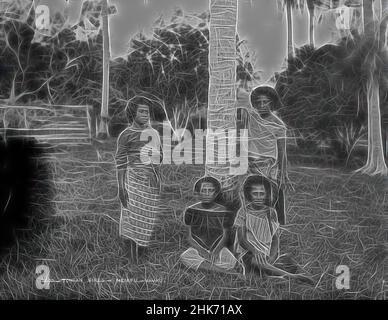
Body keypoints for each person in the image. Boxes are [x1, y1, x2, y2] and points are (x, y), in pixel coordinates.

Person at [234, 175, 314, 284]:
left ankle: (271, 275)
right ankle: (293, 277)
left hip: (265, 252)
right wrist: (255, 251)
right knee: (255, 262)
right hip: (248, 252)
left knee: (264, 271)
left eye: (261, 194)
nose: (258, 197)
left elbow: (275, 238)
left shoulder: (271, 212)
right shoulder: (243, 212)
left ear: (266, 194)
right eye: (255, 193)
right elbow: (241, 239)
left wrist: (272, 255)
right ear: (249, 194)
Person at [115, 96, 162, 263]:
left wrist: (157, 179)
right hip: (133, 180)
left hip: (150, 181)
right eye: (141, 111)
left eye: (147, 112)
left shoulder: (154, 134)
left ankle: (141, 257)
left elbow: (159, 159)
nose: (145, 114)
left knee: (146, 219)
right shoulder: (126, 135)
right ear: (132, 113)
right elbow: (120, 162)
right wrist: (121, 188)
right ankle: (131, 259)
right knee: (132, 217)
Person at [236, 85, 288, 225]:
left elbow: (282, 151)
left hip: (268, 166)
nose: (262, 105)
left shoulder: (279, 125)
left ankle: (269, 226)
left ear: (272, 102)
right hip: (249, 164)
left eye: (265, 102)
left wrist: (283, 173)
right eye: (258, 102)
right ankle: (247, 224)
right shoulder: (250, 118)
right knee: (246, 194)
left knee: (268, 195)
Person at [180, 176, 242, 274]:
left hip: (218, 248)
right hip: (198, 249)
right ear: (198, 193)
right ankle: (228, 272)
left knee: (231, 261)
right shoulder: (190, 211)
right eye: (204, 190)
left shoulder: (224, 211)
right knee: (185, 257)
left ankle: (207, 266)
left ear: (216, 193)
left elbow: (225, 235)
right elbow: (189, 236)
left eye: (211, 190)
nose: (207, 194)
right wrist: (202, 251)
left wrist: (216, 251)